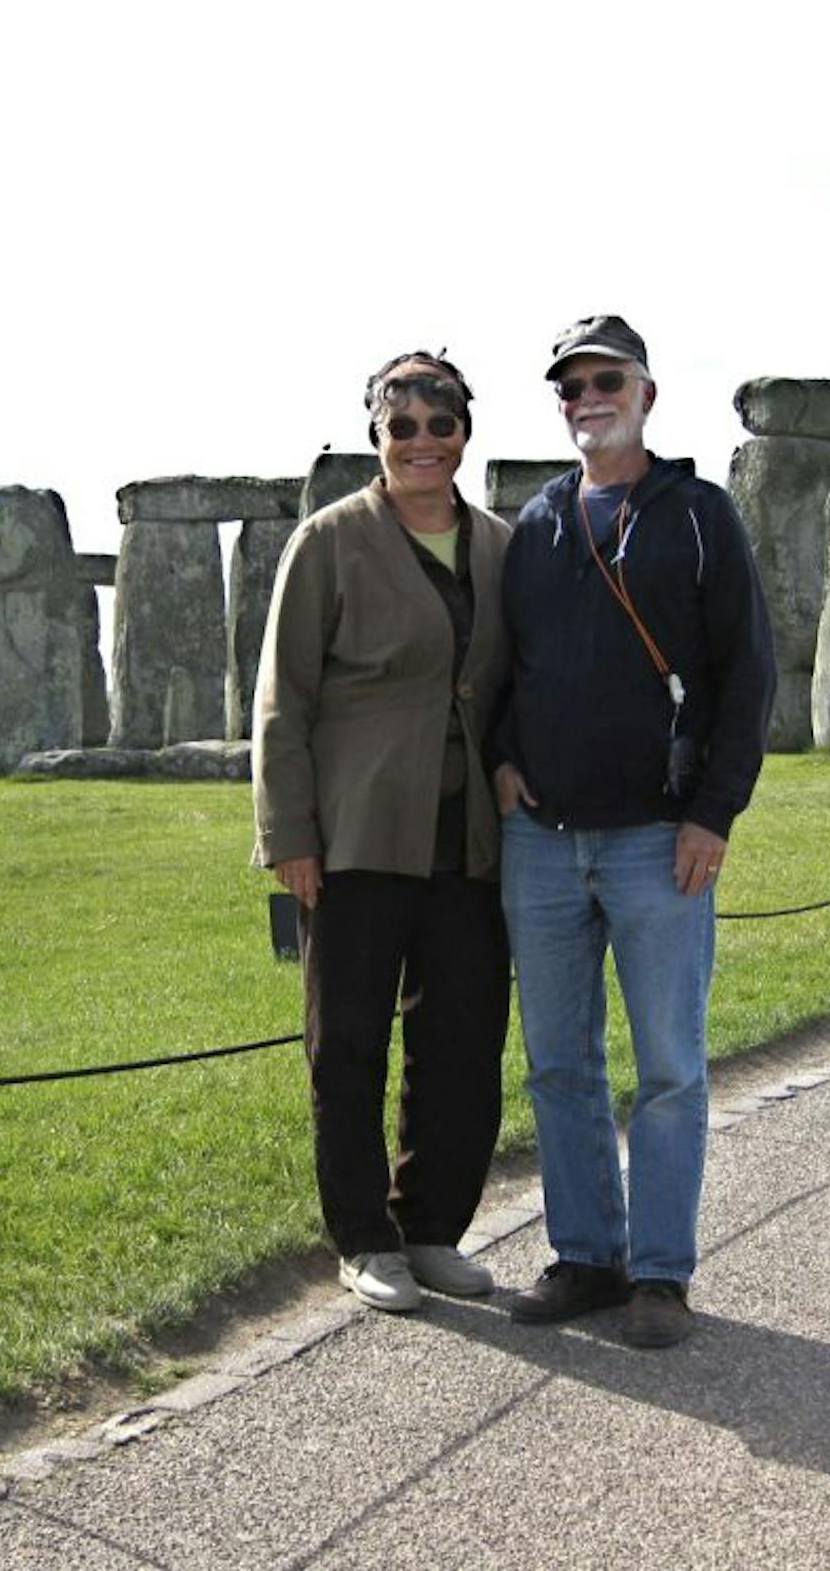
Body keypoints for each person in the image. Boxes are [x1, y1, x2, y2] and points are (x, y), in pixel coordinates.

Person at [491, 314, 774, 1348]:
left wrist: (713, 813)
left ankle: (659, 1273)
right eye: (570, 387)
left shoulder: (699, 516)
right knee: (558, 1065)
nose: (587, 400)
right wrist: (502, 757)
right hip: (543, 838)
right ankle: (586, 1257)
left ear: (646, 393)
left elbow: (748, 672)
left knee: (669, 1068)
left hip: (659, 837)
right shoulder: (536, 523)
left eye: (606, 381)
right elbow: (504, 663)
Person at [252, 351, 513, 1314]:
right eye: (401, 427)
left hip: (470, 840)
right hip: (355, 836)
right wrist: (289, 833)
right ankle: (364, 1237)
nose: (421, 443)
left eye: (440, 425)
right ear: (376, 435)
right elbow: (282, 699)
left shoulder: (500, 546)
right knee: (350, 1043)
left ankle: (431, 1227)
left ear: (464, 434)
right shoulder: (327, 542)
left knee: (463, 1041)